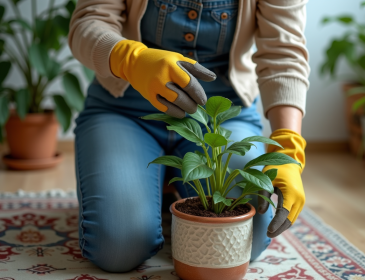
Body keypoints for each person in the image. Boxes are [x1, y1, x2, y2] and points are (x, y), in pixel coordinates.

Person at [68, 0, 309, 273]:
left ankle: (162, 189)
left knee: (244, 237)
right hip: (124, 108)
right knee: (118, 247)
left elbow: (283, 53)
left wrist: (288, 146)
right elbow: (86, 24)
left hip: (222, 117)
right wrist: (131, 59)